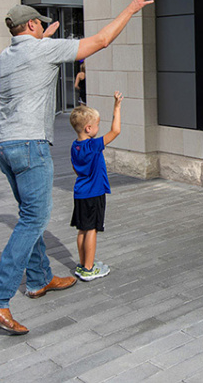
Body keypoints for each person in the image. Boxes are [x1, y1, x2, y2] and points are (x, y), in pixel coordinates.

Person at [0, 0, 154, 335]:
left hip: (3, 145)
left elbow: (32, 55)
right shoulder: (43, 50)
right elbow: (100, 40)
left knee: (29, 213)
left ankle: (38, 279)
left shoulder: (5, 56)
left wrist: (44, 39)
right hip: (29, 145)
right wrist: (131, 8)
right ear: (32, 26)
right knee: (33, 219)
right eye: (39, 24)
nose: (42, 28)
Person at [68, 92, 122, 281]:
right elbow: (115, 131)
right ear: (89, 128)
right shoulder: (93, 145)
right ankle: (90, 269)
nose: (99, 128)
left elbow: (76, 170)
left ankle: (83, 264)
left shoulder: (75, 146)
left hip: (80, 192)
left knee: (82, 229)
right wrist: (117, 106)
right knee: (91, 229)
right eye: (97, 125)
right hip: (94, 193)